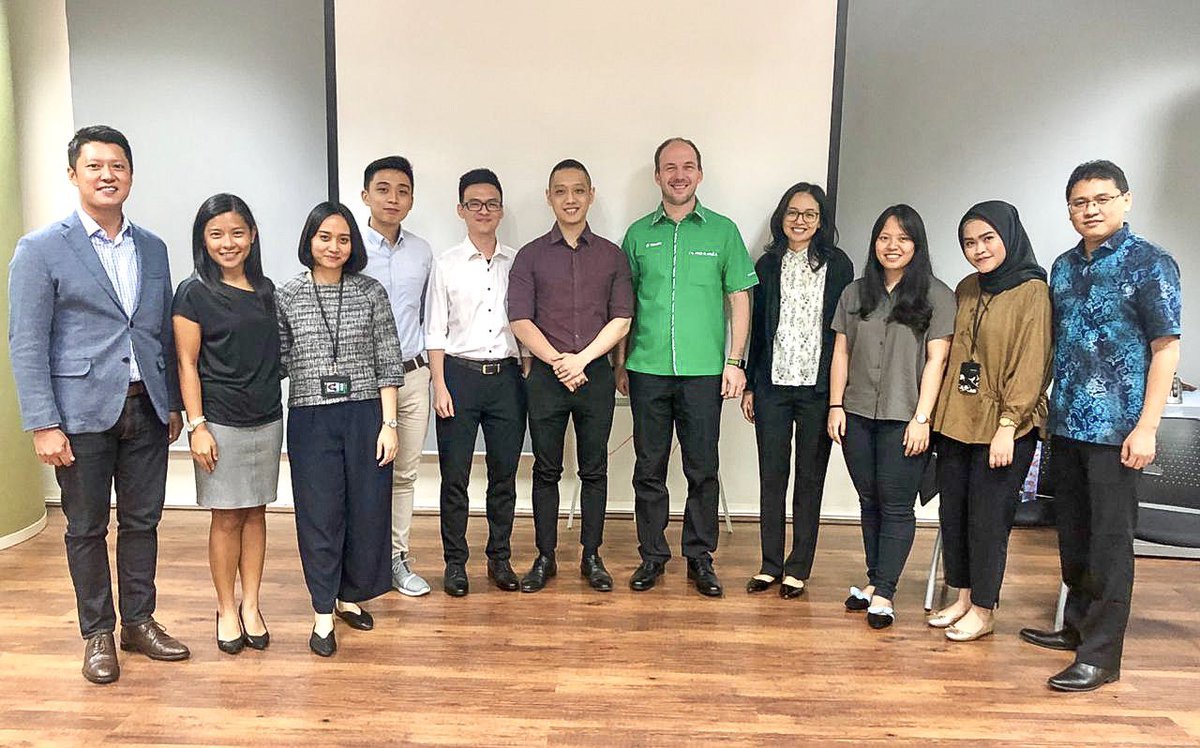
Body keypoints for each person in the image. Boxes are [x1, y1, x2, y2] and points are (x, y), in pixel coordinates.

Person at [8, 125, 189, 683]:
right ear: (73, 175)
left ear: (131, 175)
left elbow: (160, 331)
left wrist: (174, 403)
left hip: (146, 407)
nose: (108, 175)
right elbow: (27, 339)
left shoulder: (152, 246)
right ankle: (97, 634)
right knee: (85, 527)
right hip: (79, 414)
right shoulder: (41, 248)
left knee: (143, 522)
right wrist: (43, 423)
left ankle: (139, 621)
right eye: (95, 166)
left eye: (118, 166)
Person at [1019, 160, 1181, 692]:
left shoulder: (1151, 264)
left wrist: (1148, 427)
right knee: (1075, 539)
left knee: (1110, 546)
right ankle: (1076, 629)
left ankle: (1102, 657)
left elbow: (1165, 349)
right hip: (1066, 426)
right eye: (1079, 202)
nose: (1090, 209)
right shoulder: (1063, 267)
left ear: (1125, 200)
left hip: (1119, 431)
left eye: (1101, 199)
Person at [617, 137, 758, 597]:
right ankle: (652, 556)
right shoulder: (639, 234)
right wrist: (621, 364)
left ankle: (700, 557)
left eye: (688, 166)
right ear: (657, 176)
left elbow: (740, 299)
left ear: (700, 174)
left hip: (703, 373)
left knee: (702, 468)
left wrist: (735, 362)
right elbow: (625, 306)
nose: (679, 174)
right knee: (649, 468)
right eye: (670, 167)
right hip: (647, 369)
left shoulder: (723, 231)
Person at [276, 202, 404, 657]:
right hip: (311, 417)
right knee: (320, 514)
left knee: (366, 512)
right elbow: (279, 358)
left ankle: (349, 595)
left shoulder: (370, 292)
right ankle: (321, 612)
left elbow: (387, 359)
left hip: (366, 413)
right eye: (324, 237)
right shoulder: (287, 295)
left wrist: (389, 424)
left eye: (344, 239)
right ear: (309, 240)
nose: (334, 247)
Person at [508, 159, 634, 593]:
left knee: (594, 469)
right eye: (560, 191)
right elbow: (520, 319)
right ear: (549, 197)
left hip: (594, 375)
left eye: (578, 190)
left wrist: (581, 361)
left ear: (591, 194)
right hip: (545, 378)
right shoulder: (530, 256)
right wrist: (560, 362)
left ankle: (592, 556)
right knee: (546, 469)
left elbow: (622, 319)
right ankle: (545, 557)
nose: (570, 199)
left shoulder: (612, 256)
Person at [827, 204, 955, 629]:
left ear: (916, 245)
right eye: (884, 237)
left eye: (902, 238)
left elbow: (938, 360)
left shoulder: (937, 295)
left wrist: (923, 419)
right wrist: (835, 406)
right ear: (874, 243)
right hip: (857, 413)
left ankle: (886, 592)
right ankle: (873, 580)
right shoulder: (856, 292)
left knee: (897, 506)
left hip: (906, 418)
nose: (892, 245)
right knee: (869, 500)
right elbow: (841, 352)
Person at [929, 200, 1051, 642]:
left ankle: (984, 608)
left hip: (1005, 429)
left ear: (1008, 237)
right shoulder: (966, 288)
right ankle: (961, 597)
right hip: (958, 421)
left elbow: (1033, 363)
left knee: (988, 520)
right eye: (969, 242)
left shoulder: (1033, 291)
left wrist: (1007, 424)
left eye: (987, 239)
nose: (978, 250)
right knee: (954, 513)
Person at [172, 194, 282, 654]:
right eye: (216, 234)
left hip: (268, 418)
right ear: (203, 239)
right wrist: (198, 425)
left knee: (256, 513)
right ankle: (225, 608)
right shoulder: (193, 292)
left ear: (252, 236)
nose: (228, 242)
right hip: (220, 422)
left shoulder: (267, 289)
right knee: (226, 517)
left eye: (237, 233)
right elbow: (186, 362)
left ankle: (252, 604)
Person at [742, 182, 853, 598]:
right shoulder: (767, 264)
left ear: (821, 221)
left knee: (810, 479)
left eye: (809, 214)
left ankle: (797, 567)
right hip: (772, 386)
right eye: (793, 212)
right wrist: (752, 384)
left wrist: (838, 396)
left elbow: (844, 333)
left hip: (817, 390)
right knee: (772, 476)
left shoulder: (838, 265)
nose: (800, 221)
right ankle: (770, 563)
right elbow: (757, 329)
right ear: (781, 217)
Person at [426, 168, 527, 596]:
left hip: (507, 380)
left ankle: (499, 559)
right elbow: (434, 329)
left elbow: (528, 320)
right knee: (455, 477)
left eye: (491, 203)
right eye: (474, 204)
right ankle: (455, 564)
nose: (483, 211)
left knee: (504, 476)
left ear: (501, 210)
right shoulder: (445, 263)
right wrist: (439, 386)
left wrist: (527, 367)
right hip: (459, 378)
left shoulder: (519, 261)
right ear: (461, 210)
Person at [360, 156, 434, 597]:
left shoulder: (422, 252)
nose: (393, 198)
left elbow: (426, 315)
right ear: (365, 194)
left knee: (405, 474)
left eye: (402, 190)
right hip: (365, 382)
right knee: (365, 473)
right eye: (383, 188)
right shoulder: (348, 248)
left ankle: (395, 558)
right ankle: (362, 562)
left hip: (412, 376)